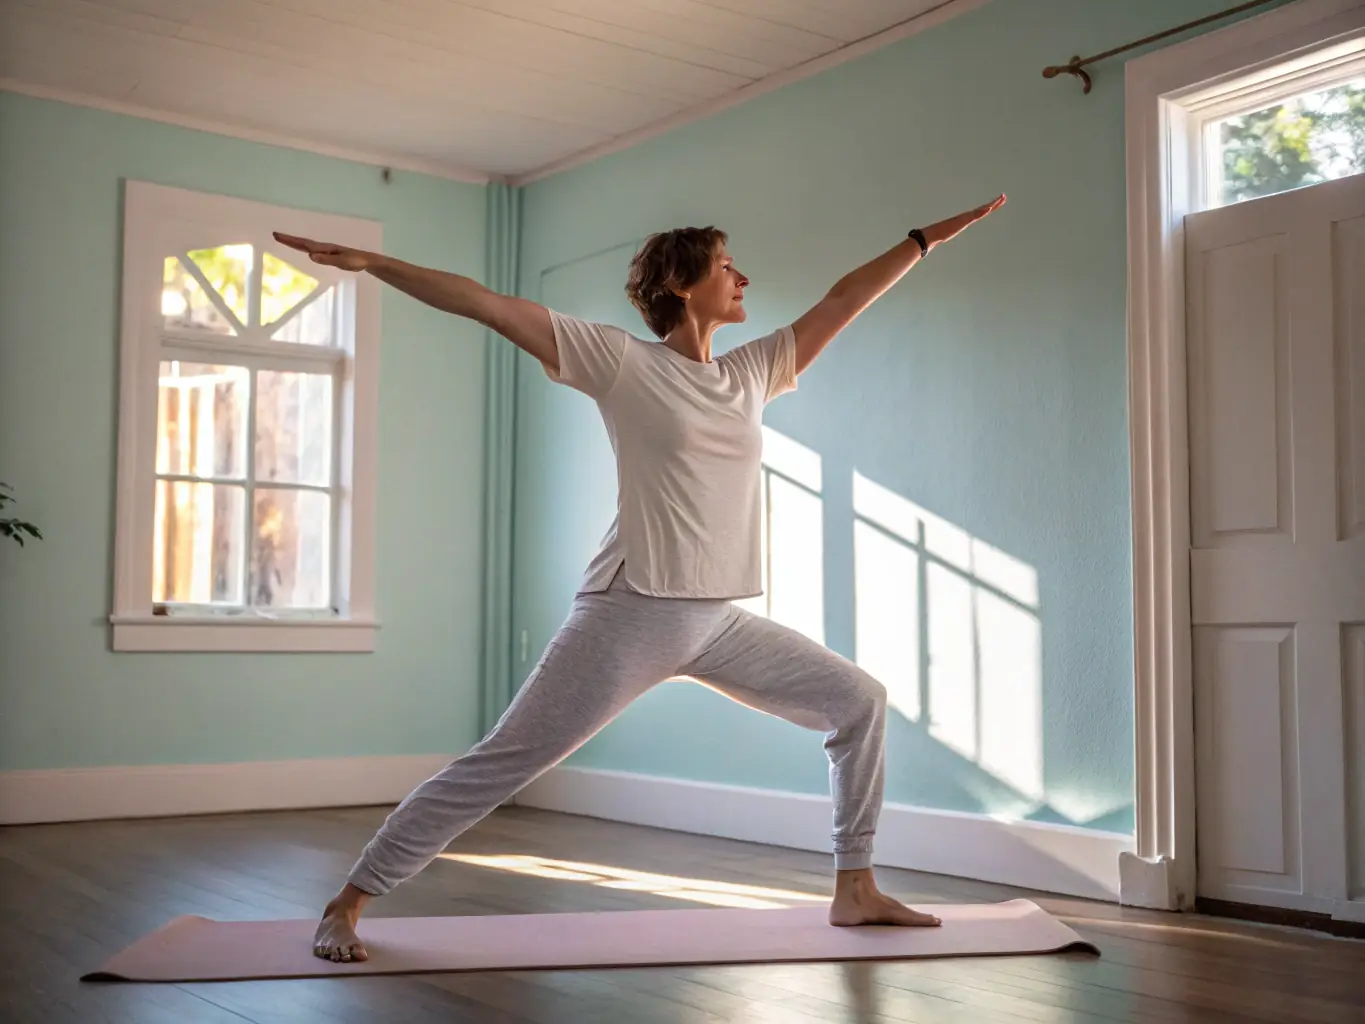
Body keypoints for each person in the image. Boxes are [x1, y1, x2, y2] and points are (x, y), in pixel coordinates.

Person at [274, 192, 1006, 963]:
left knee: (859, 702)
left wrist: (923, 238)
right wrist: (377, 264)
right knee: (502, 762)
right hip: (629, 612)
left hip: (715, 618)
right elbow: (490, 305)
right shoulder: (620, 362)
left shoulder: (751, 371)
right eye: (727, 266)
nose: (743, 278)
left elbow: (842, 298)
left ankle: (853, 888)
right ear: (684, 284)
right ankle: (347, 902)